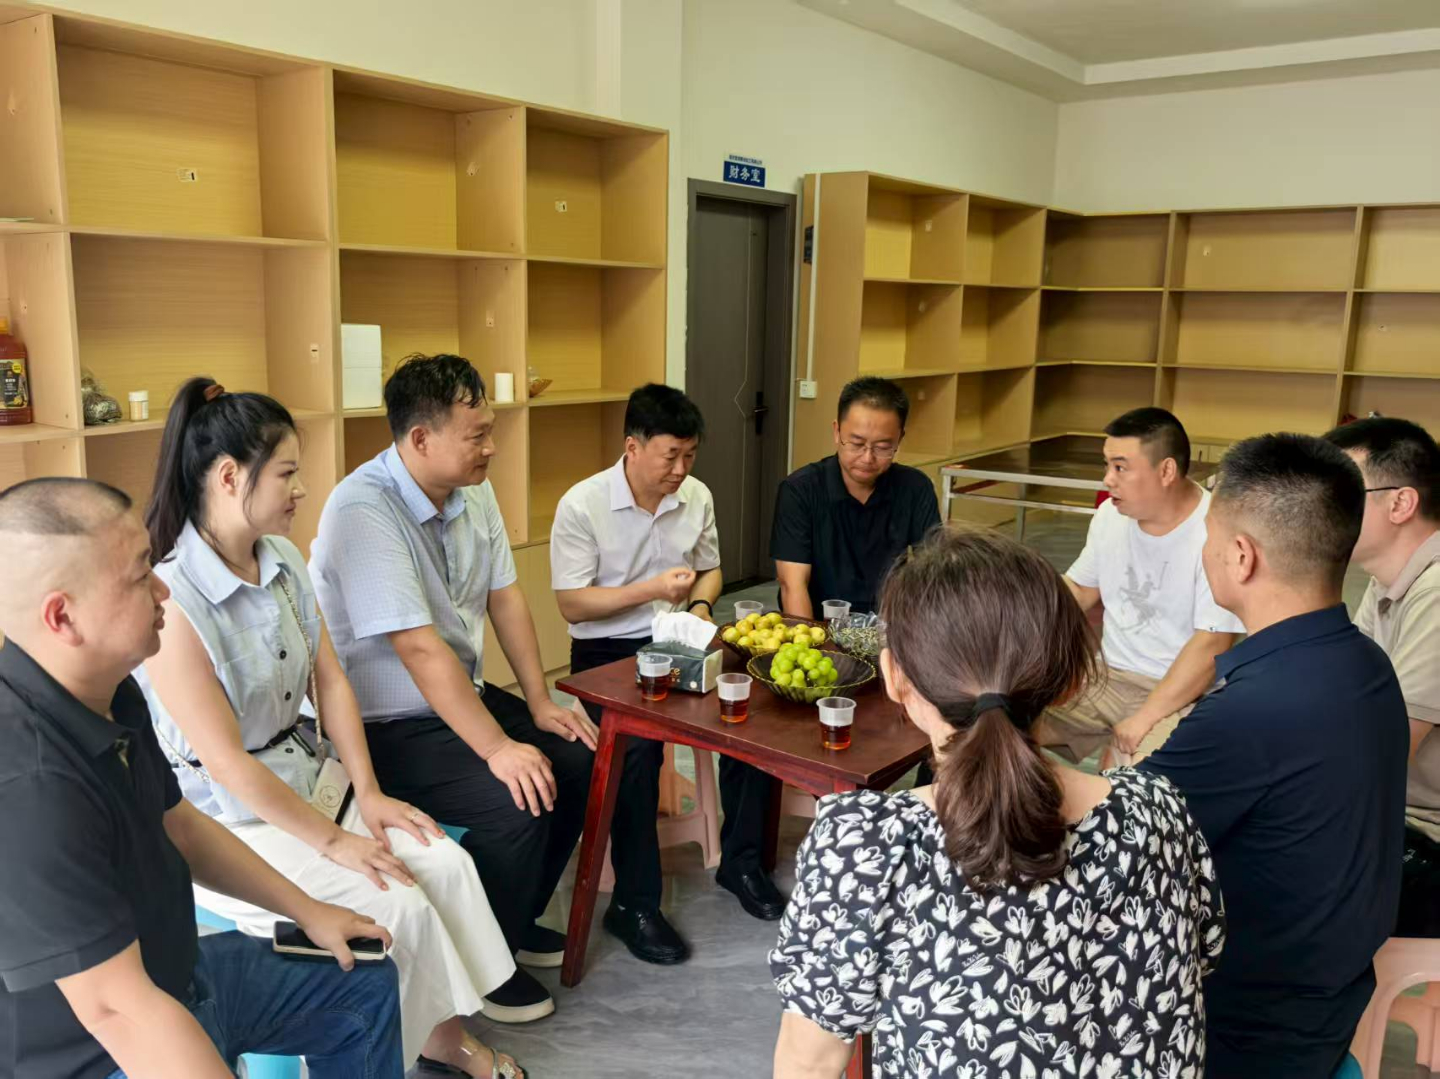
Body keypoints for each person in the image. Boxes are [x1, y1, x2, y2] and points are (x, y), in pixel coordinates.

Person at [134, 378, 522, 1077]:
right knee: (397, 905)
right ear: (230, 477)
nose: (301, 489)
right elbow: (228, 766)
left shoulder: (282, 559)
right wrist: (337, 841)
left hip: (311, 781)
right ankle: (397, 1053)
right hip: (234, 821)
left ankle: (441, 1036)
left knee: (443, 861)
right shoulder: (177, 602)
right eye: (286, 473)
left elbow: (332, 681)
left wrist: (368, 796)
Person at [770, 525, 1224, 1078]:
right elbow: (1202, 954)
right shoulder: (1157, 812)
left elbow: (810, 1062)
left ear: (894, 678)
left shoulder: (866, 845)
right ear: (1070, 681)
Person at [0, 477, 404, 1079]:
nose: (163, 589)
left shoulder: (110, 690)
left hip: (181, 979)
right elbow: (118, 1013)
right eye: (140, 576)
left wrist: (308, 910)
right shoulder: (28, 786)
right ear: (63, 617)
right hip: (102, 1055)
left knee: (361, 983)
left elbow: (180, 826)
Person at [311, 353, 594, 1025]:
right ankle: (480, 969)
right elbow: (416, 646)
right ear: (420, 438)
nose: (491, 447)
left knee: (579, 758)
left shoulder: (473, 489)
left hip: (458, 696)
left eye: (489, 431)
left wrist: (539, 702)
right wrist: (497, 748)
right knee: (514, 800)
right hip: (385, 724)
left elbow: (506, 596)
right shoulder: (361, 507)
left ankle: (511, 922)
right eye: (477, 435)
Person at [1141, 433, 1408, 1076]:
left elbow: (1113, 836)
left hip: (1240, 1032)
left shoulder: (1257, 709)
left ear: (1241, 556)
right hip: (1326, 1005)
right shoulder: (1365, 664)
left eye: (1209, 537)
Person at [551, 383, 780, 965]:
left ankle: (742, 862)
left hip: (679, 635)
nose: (681, 470)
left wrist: (700, 606)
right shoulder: (582, 504)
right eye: (670, 456)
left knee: (756, 713)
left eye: (690, 455)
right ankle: (633, 905)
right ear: (633, 447)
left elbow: (709, 569)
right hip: (607, 651)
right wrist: (651, 589)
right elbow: (573, 605)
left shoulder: (695, 495)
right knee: (636, 753)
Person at [1033, 407, 1242, 767]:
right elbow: (1080, 589)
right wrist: (1016, 616)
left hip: (1181, 692)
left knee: (1130, 776)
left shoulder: (1218, 530)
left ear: (1166, 471)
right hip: (1107, 677)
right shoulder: (1110, 516)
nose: (1107, 480)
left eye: (1120, 467)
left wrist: (1144, 718)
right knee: (1007, 733)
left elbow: (1213, 643)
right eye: (1106, 465)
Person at [1325, 417, 1440, 937]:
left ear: (1401, 504)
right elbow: (1347, 696)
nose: (1324, 508)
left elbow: (1382, 748)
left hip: (1424, 836)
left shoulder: (1435, 591)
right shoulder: (1388, 580)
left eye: (1343, 491)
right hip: (1395, 814)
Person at [771, 377, 940, 618]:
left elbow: (934, 574)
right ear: (836, 431)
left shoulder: (915, 487)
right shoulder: (800, 491)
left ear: (899, 439)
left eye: (883, 447)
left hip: (889, 625)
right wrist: (810, 639)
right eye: (856, 443)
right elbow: (792, 585)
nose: (867, 458)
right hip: (820, 624)